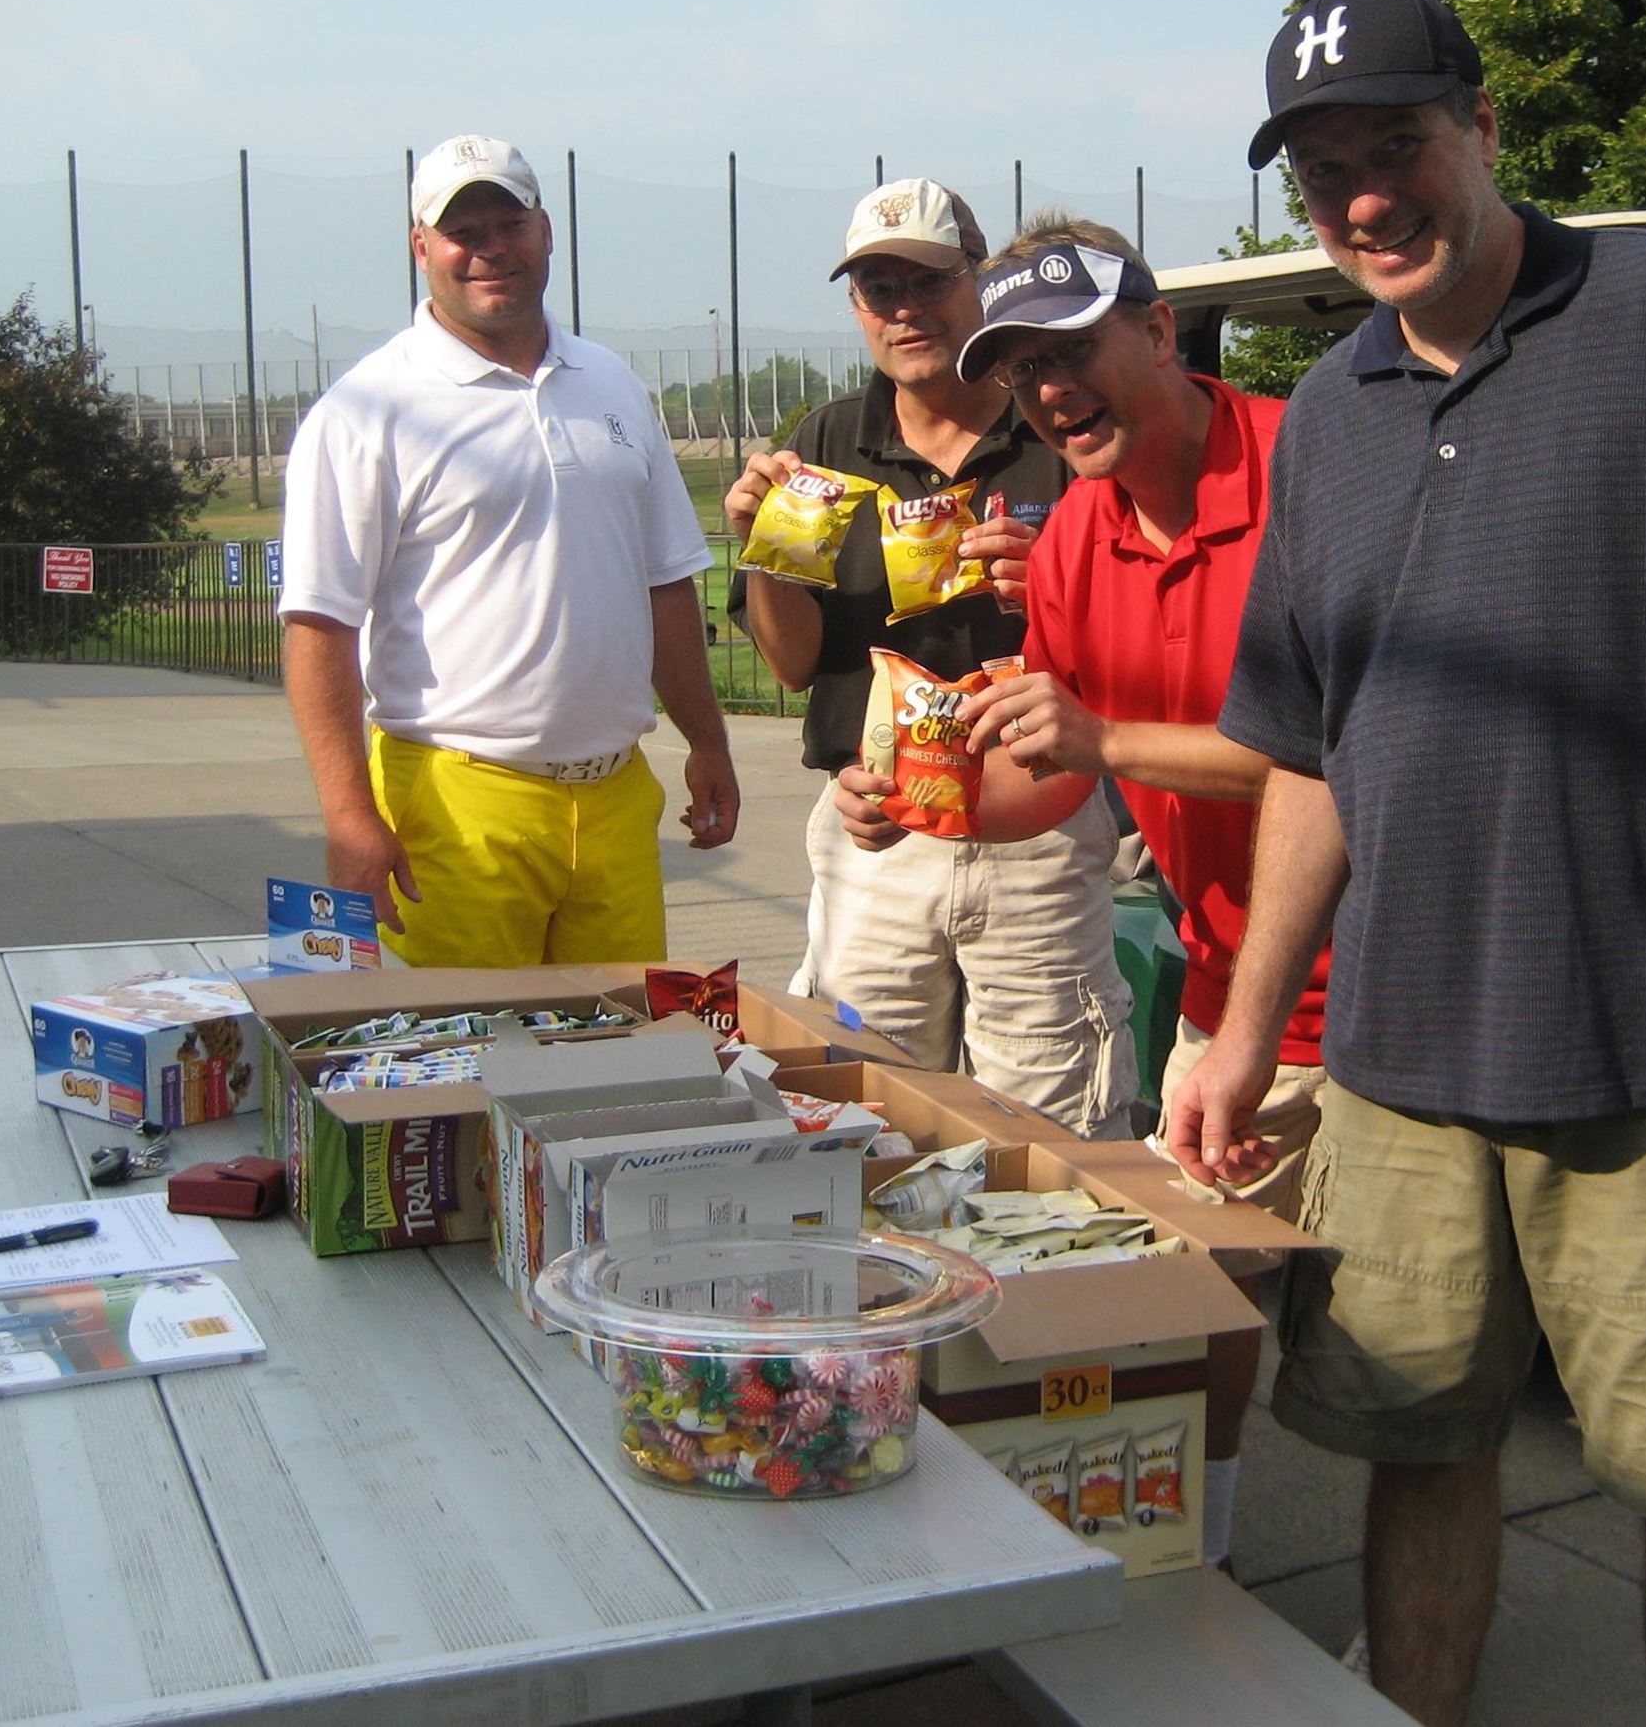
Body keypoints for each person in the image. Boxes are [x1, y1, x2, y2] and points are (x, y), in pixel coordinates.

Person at [1170, 0, 1646, 1727]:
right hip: (1398, 1074)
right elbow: (1310, 756)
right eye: (1324, 172)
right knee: (1417, 1455)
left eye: (1399, 146)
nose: (1366, 199)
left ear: (1485, 128)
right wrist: (1236, 1032)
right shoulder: (1333, 412)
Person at [935, 211, 1335, 1574]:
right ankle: (1194, 1588)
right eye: (1020, 367)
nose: (1049, 389)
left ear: (1159, 333)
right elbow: (1062, 781)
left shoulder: (1314, 464)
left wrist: (1098, 737)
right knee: (1185, 1318)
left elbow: (1335, 756)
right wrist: (924, 807)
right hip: (1234, 1001)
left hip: (1409, 996)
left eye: (1074, 348)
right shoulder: (1066, 544)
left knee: (1417, 1385)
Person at [722, 179, 1135, 1136]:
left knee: (1049, 1132)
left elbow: (1132, 634)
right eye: (876, 287)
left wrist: (1055, 586)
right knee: (867, 1116)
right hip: (879, 833)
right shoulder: (827, 442)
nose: (904, 309)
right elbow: (792, 666)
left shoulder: (1054, 423)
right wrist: (766, 552)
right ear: (855, 307)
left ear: (980, 284)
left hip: (1035, 835)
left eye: (928, 281)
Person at [279, 133, 737, 968]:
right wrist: (349, 815)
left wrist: (708, 743)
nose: (490, 248)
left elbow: (667, 582)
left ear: (546, 232)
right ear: (422, 248)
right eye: (463, 230)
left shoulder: (611, 383)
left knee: (620, 1071)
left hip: (617, 802)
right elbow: (320, 625)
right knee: (459, 1077)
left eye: (509, 222)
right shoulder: (367, 409)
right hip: (455, 809)